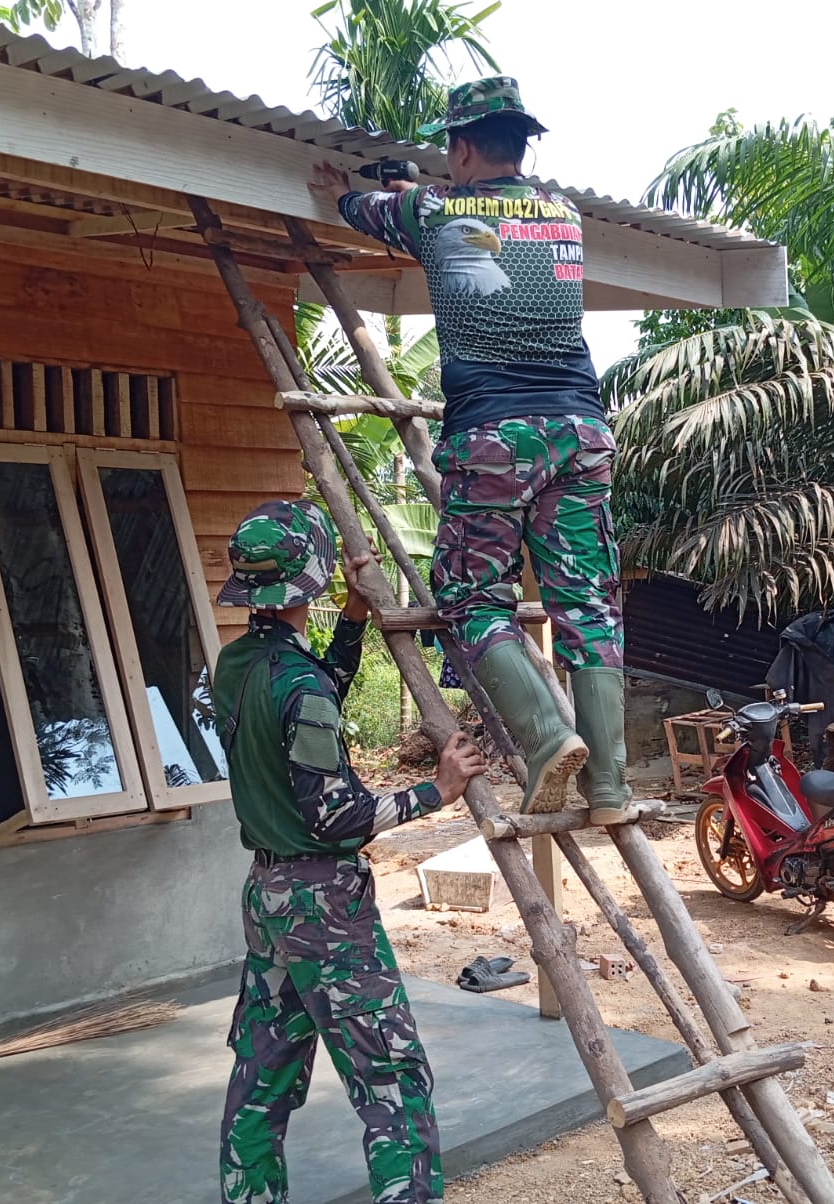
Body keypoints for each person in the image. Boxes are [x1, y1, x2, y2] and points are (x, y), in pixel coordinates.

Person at [308, 76, 630, 826]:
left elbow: (359, 207)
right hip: (581, 431)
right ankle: (610, 785)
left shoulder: (431, 209)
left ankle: (549, 737)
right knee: (587, 601)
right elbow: (483, 219)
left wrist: (344, 188)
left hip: (494, 434)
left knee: (470, 597)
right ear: (521, 143)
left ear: (458, 147)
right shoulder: (563, 215)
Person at [213, 499, 488, 1204]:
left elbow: (309, 697)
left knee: (260, 1079)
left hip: (267, 898)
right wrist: (436, 792)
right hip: (323, 908)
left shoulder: (237, 663)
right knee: (393, 1079)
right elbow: (340, 818)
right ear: (307, 579)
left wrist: (354, 621)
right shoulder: (297, 686)